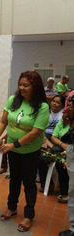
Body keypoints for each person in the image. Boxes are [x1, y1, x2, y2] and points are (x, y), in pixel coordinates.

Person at [0, 71, 49, 232]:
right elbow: (2, 121)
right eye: (20, 84)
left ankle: (28, 215)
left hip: (30, 151)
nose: (21, 88)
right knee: (14, 179)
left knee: (29, 183)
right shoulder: (13, 100)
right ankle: (11, 207)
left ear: (35, 86)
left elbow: (35, 132)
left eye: (25, 85)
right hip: (13, 149)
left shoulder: (42, 107)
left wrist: (12, 145)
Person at [38, 95, 65, 192]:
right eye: (53, 101)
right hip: (45, 137)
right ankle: (46, 185)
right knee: (39, 157)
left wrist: (53, 146)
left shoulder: (63, 115)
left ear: (62, 105)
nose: (54, 103)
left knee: (43, 158)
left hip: (56, 139)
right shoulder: (46, 113)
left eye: (58, 102)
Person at [59, 98, 74, 236]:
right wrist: (69, 113)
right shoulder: (72, 96)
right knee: (73, 190)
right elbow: (66, 119)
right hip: (72, 146)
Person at [49, 117, 71, 204]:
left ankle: (65, 193)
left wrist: (65, 152)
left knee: (61, 163)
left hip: (70, 150)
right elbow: (53, 137)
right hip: (62, 147)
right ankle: (48, 185)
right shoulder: (63, 121)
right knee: (42, 159)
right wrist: (62, 145)